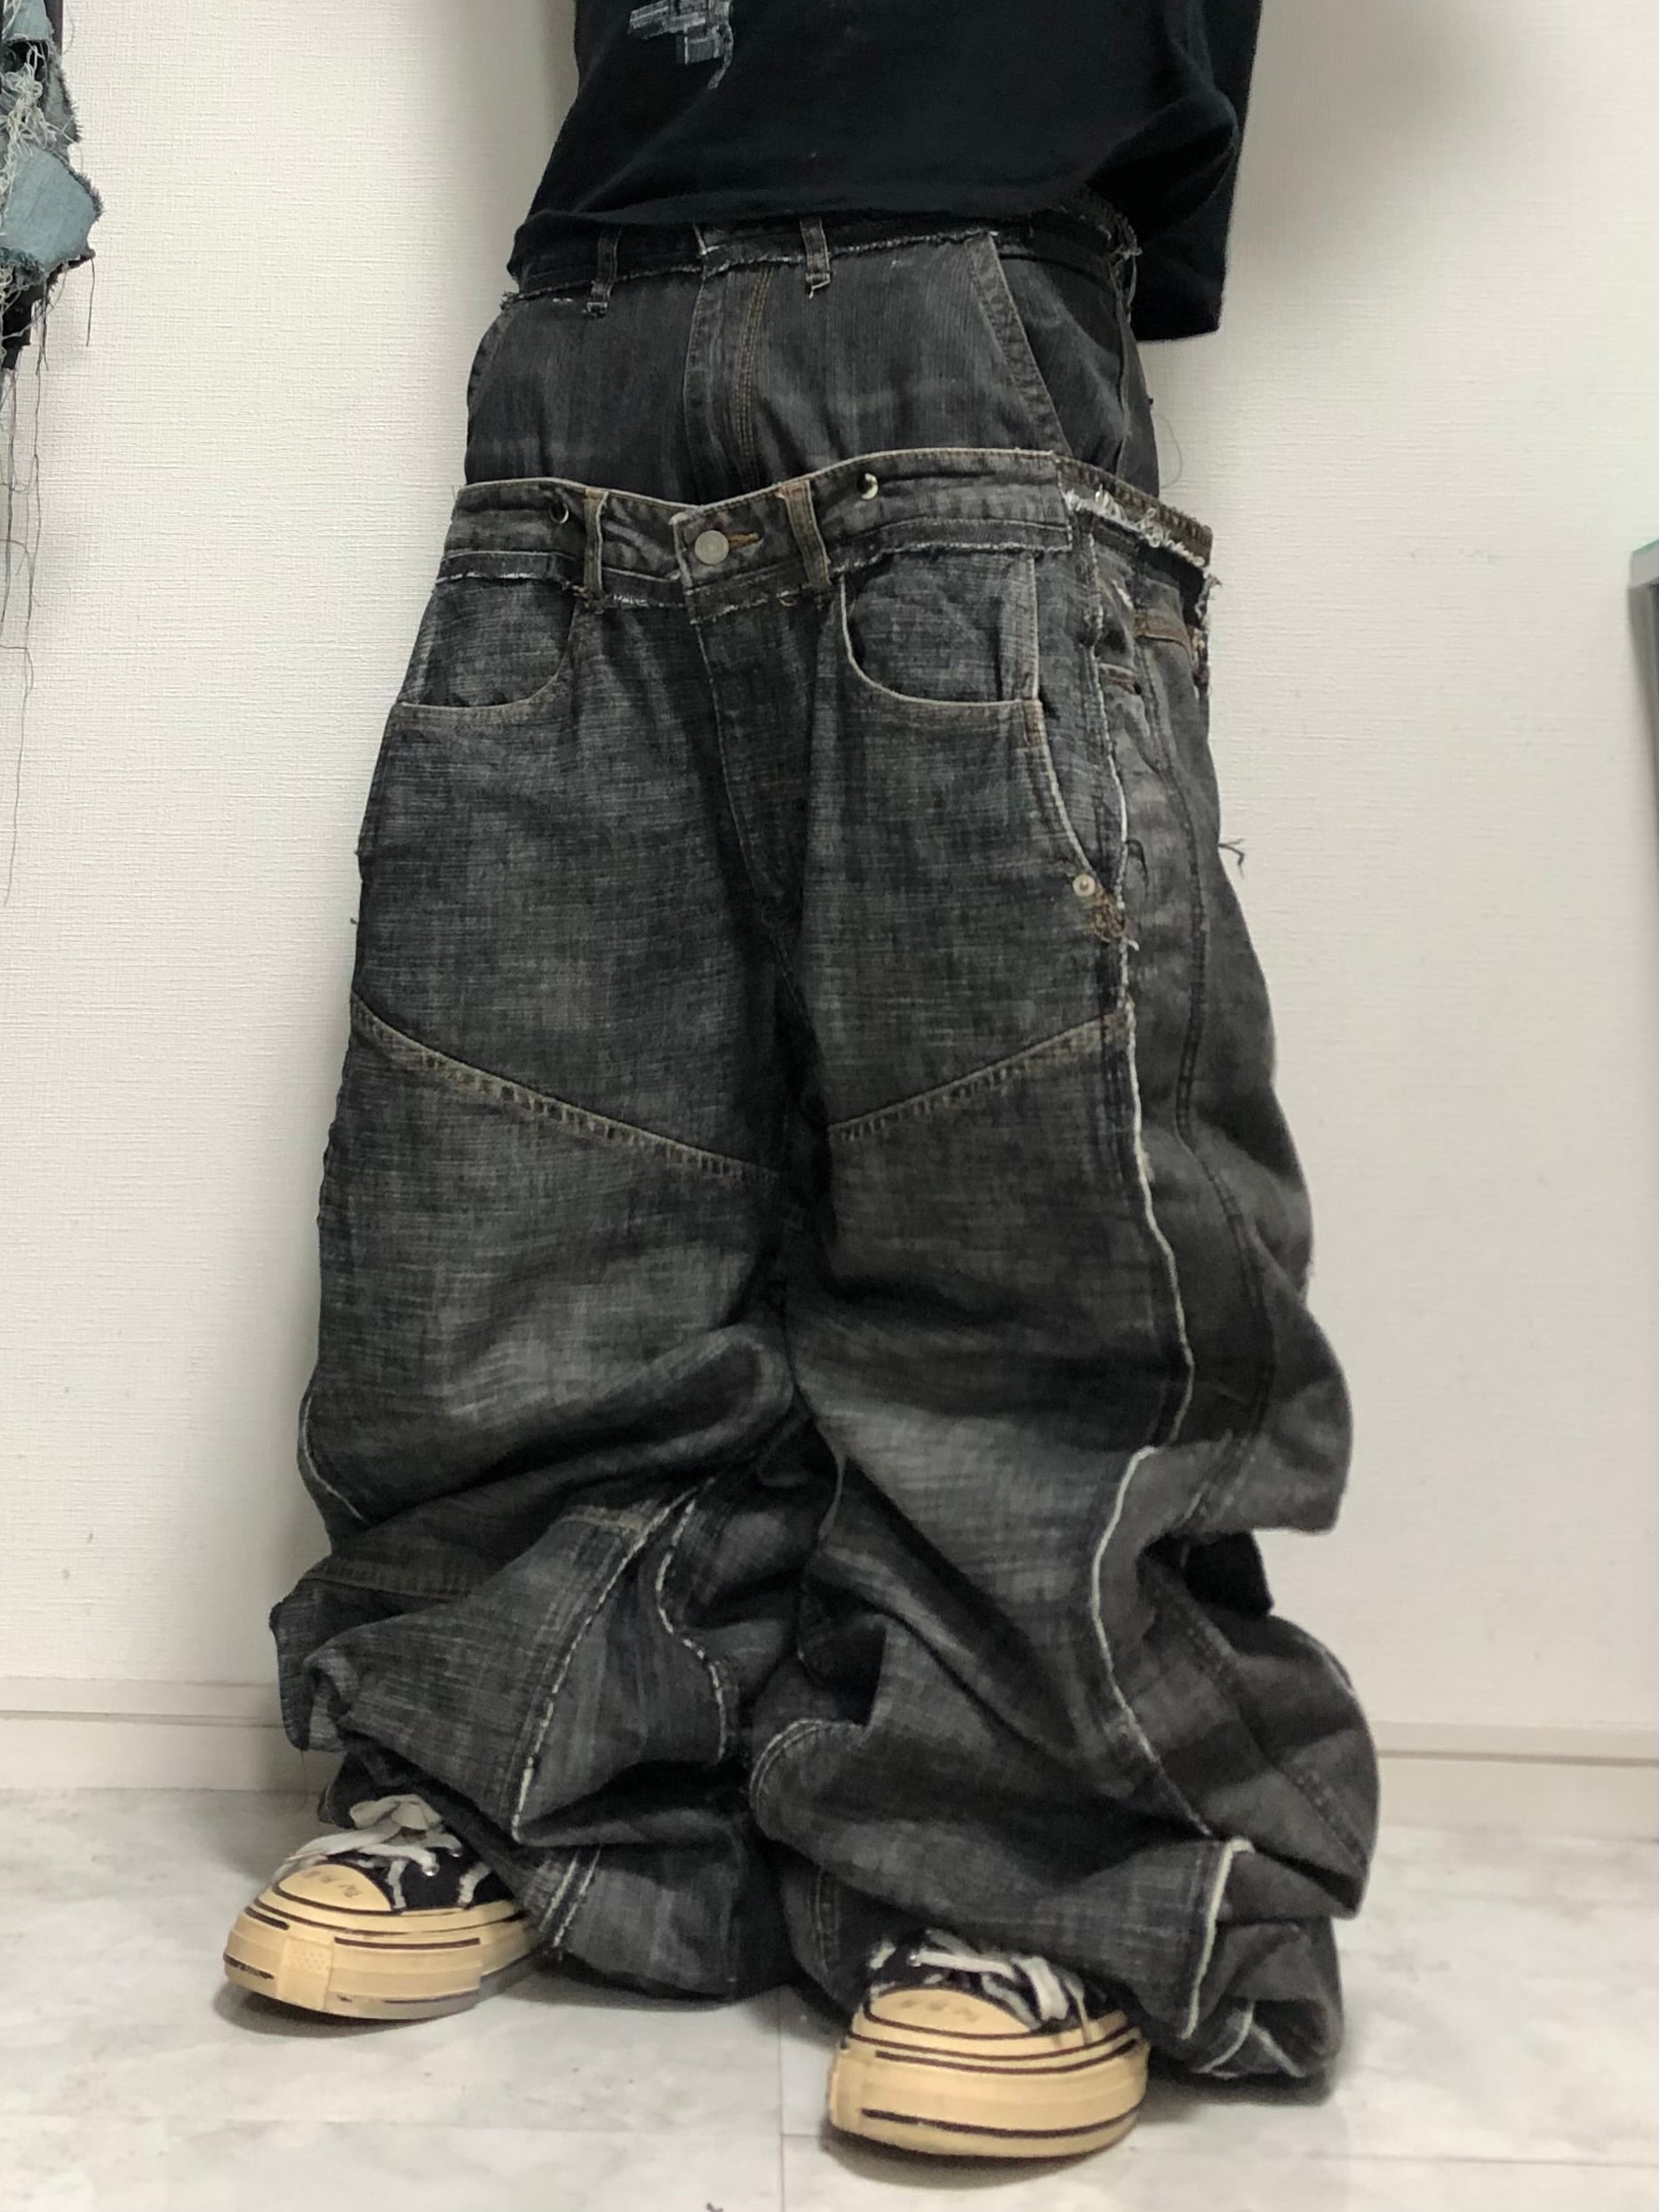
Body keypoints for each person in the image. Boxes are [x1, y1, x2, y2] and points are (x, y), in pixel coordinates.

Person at [224, 0, 1379, 2163]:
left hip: (973, 287)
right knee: (517, 1140)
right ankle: (521, 1760)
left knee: (1032, 1147)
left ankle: (1038, 1865)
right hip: (586, 317)